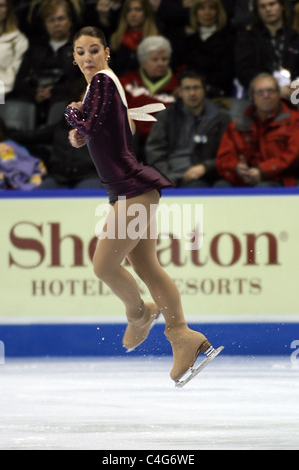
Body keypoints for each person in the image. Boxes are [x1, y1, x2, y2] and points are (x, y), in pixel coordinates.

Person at [65, 26, 220, 383]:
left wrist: (72, 114)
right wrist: (81, 128)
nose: (87, 58)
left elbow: (91, 124)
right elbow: (107, 129)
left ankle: (142, 314)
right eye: (80, 52)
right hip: (130, 191)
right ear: (73, 57)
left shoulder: (102, 82)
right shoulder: (101, 87)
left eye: (93, 50)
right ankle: (182, 335)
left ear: (107, 52)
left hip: (131, 189)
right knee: (148, 267)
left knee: (104, 266)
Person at [145, 69, 231, 187]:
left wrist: (205, 167)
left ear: (204, 90)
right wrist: (168, 178)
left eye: (196, 88)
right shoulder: (165, 117)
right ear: (179, 92)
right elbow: (154, 152)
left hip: (207, 175)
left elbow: (228, 154)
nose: (192, 93)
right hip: (172, 177)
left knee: (208, 186)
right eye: (187, 88)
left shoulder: (220, 118)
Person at [215, 73, 299, 187]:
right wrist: (237, 167)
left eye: (270, 91)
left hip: (278, 179)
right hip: (242, 178)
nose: (266, 95)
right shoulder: (237, 126)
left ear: (278, 94)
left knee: (262, 189)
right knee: (221, 187)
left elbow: (293, 156)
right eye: (260, 92)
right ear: (252, 97)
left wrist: (262, 170)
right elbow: (223, 158)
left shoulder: (294, 121)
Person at [13, 0, 81, 126]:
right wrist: (34, 93)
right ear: (45, 24)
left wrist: (54, 91)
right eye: (51, 20)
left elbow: (81, 83)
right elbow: (19, 82)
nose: (56, 24)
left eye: (61, 19)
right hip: (34, 101)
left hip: (63, 102)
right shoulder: (35, 48)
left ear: (70, 21)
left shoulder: (80, 48)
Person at [120, 35, 179, 160]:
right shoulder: (125, 83)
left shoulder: (179, 86)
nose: (161, 64)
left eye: (164, 59)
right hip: (130, 144)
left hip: (166, 146)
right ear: (143, 62)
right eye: (155, 59)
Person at [235, 0, 299, 100]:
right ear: (257, 11)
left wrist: (296, 85)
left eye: (272, 4)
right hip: (261, 93)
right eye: (262, 6)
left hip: (294, 92)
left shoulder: (294, 37)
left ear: (282, 6)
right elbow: (244, 71)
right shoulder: (248, 38)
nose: (268, 9)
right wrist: (274, 88)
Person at [172, 0, 236, 98]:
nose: (207, 13)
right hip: (189, 95)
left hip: (219, 96)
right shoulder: (186, 40)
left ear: (218, 12)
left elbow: (226, 73)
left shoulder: (229, 39)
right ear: (195, 12)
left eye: (212, 8)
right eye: (202, 8)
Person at [109, 0, 159, 76]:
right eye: (129, 10)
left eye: (138, 9)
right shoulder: (116, 39)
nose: (133, 14)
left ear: (146, 13)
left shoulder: (156, 39)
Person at [0, 0, 28, 97]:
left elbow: (14, 74)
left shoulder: (18, 39)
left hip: (4, 93)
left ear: (8, 10)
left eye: (1, 5)